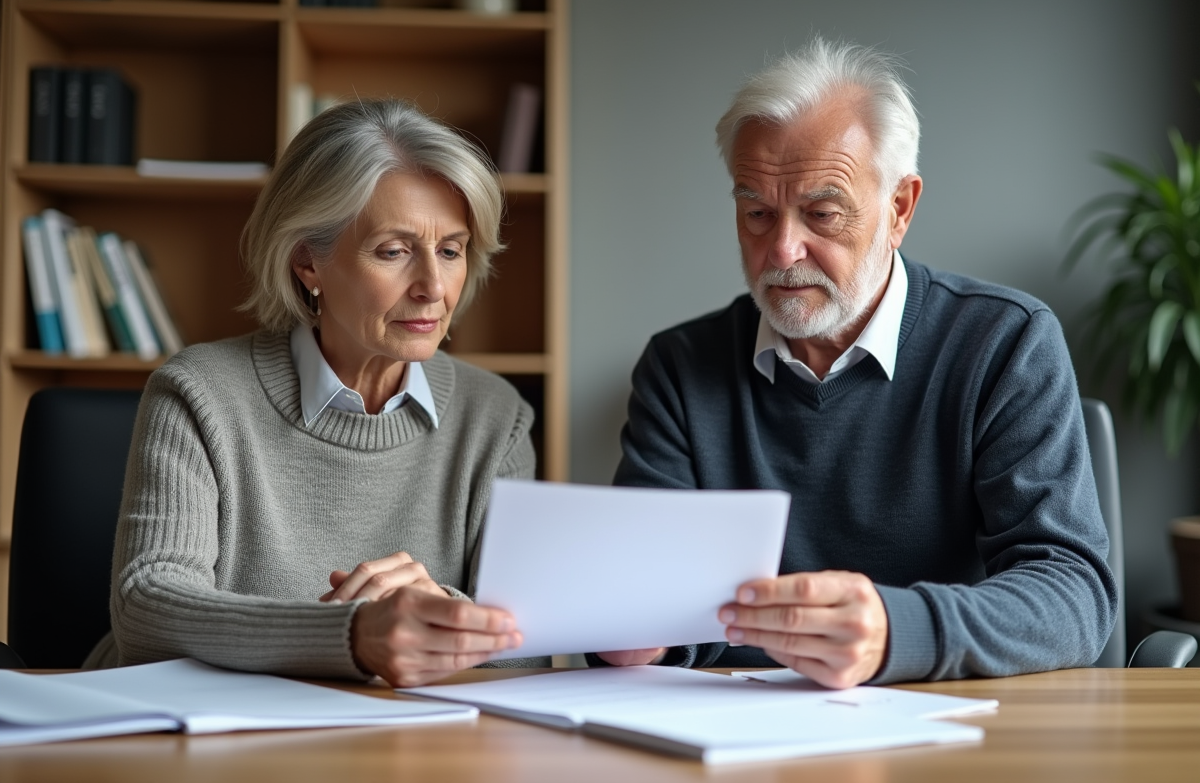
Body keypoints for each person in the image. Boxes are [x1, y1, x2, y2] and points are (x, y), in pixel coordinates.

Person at [595, 39, 1117, 688]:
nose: (782, 250)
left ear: (899, 209)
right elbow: (649, 602)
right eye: (756, 212)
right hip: (731, 732)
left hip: (949, 724)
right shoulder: (679, 366)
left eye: (821, 213)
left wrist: (898, 630)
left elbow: (1074, 596)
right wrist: (634, 633)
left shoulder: (1005, 343)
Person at [84, 99, 541, 686]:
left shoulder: (497, 416)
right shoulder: (199, 392)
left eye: (450, 250)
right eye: (394, 251)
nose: (433, 287)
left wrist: (439, 614)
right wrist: (352, 637)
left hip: (399, 737)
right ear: (308, 263)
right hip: (200, 733)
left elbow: (526, 655)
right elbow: (146, 610)